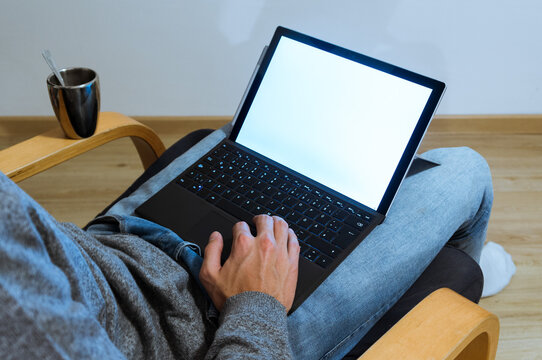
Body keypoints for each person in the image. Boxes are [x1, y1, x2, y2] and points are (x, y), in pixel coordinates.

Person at [0, 124, 493, 359]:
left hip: (120, 243)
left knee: (228, 141)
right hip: (216, 325)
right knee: (464, 167)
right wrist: (257, 302)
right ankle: (449, 265)